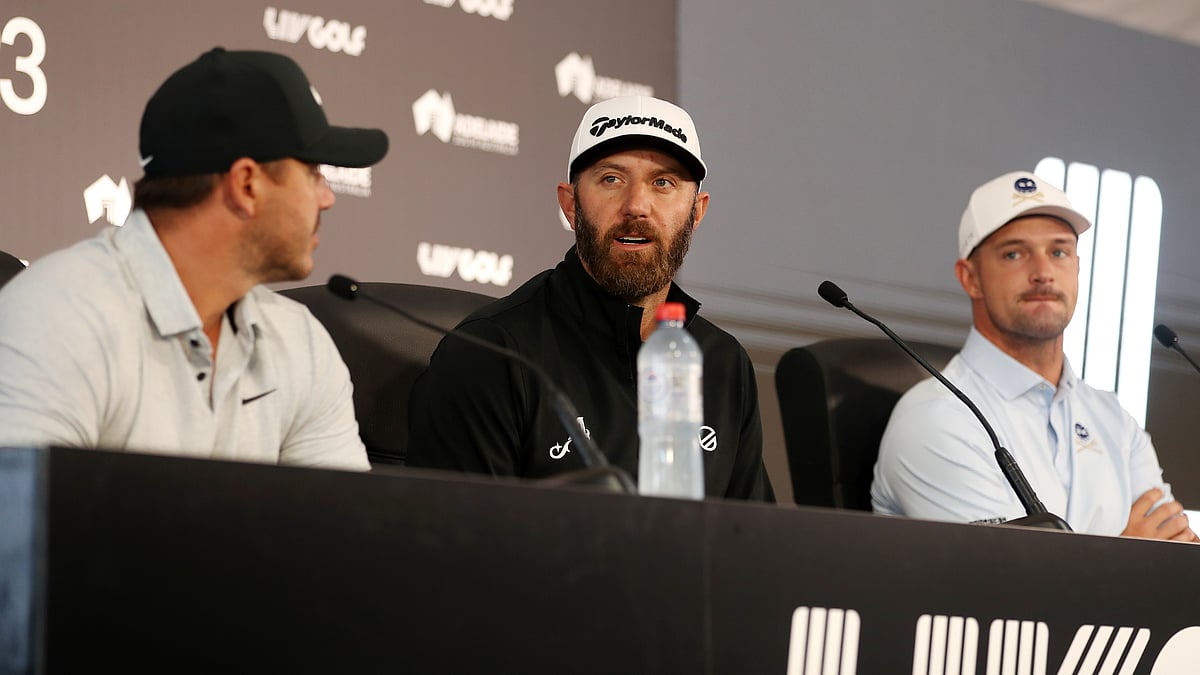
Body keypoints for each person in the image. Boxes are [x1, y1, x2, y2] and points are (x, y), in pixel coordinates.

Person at [0, 48, 389, 471]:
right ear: (246, 185)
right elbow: (21, 527)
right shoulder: (57, 317)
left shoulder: (301, 343)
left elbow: (340, 531)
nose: (328, 197)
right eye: (313, 173)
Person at [407, 95, 773, 500]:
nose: (637, 206)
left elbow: (754, 547)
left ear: (697, 212)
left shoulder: (722, 361)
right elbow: (456, 550)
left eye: (663, 182)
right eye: (611, 179)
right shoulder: (492, 353)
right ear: (570, 205)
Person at [872, 171, 1196, 540]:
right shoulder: (937, 418)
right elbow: (1010, 588)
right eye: (1014, 254)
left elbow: (1179, 555)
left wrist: (1132, 557)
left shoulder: (1115, 421)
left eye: (1059, 252)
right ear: (970, 277)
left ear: (1077, 267)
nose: (1043, 273)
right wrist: (1132, 553)